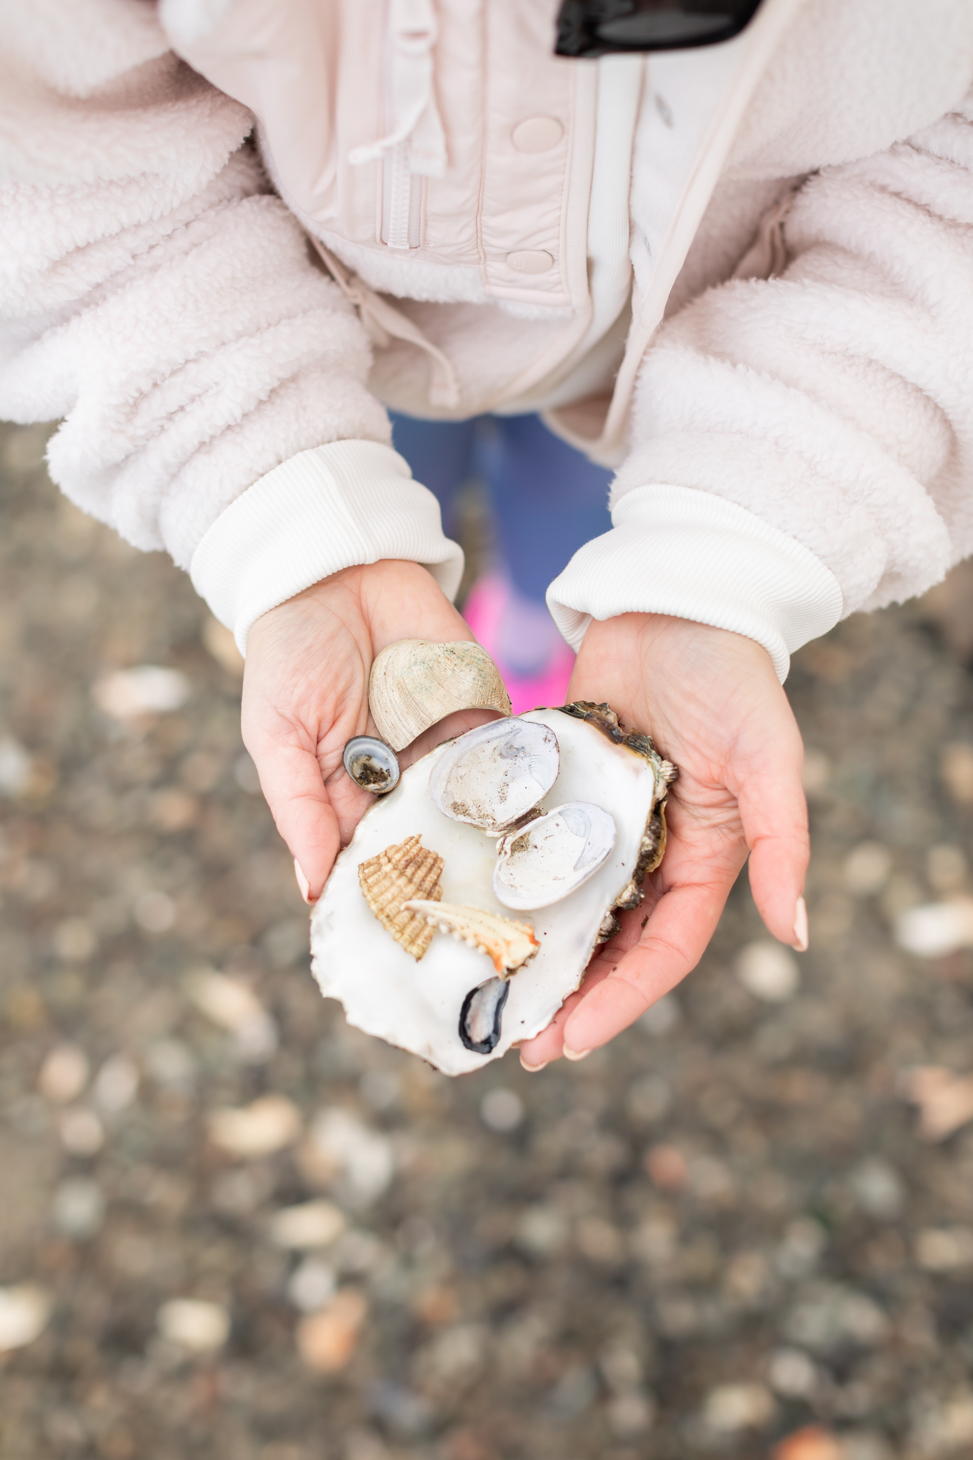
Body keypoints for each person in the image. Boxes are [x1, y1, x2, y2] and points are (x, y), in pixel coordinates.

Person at [3, 0, 973, 1073]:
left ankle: (523, 624)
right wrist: (293, 498)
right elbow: (48, 157)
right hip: (351, 326)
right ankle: (484, 608)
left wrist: (724, 553)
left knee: (575, 521)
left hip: (681, 358)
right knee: (396, 481)